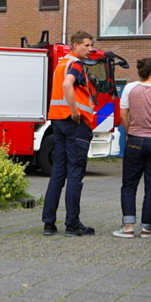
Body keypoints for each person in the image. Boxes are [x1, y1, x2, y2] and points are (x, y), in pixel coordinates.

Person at [42, 30, 97, 237]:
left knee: (58, 173)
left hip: (58, 122)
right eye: (87, 45)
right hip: (75, 124)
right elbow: (68, 85)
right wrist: (75, 112)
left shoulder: (61, 64)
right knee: (75, 174)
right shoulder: (75, 64)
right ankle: (72, 224)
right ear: (75, 46)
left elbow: (62, 85)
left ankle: (49, 223)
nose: (90, 49)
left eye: (91, 45)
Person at [113, 57, 151, 239]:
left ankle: (128, 227)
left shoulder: (130, 89)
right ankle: (147, 227)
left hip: (135, 140)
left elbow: (123, 114)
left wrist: (130, 131)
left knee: (129, 185)